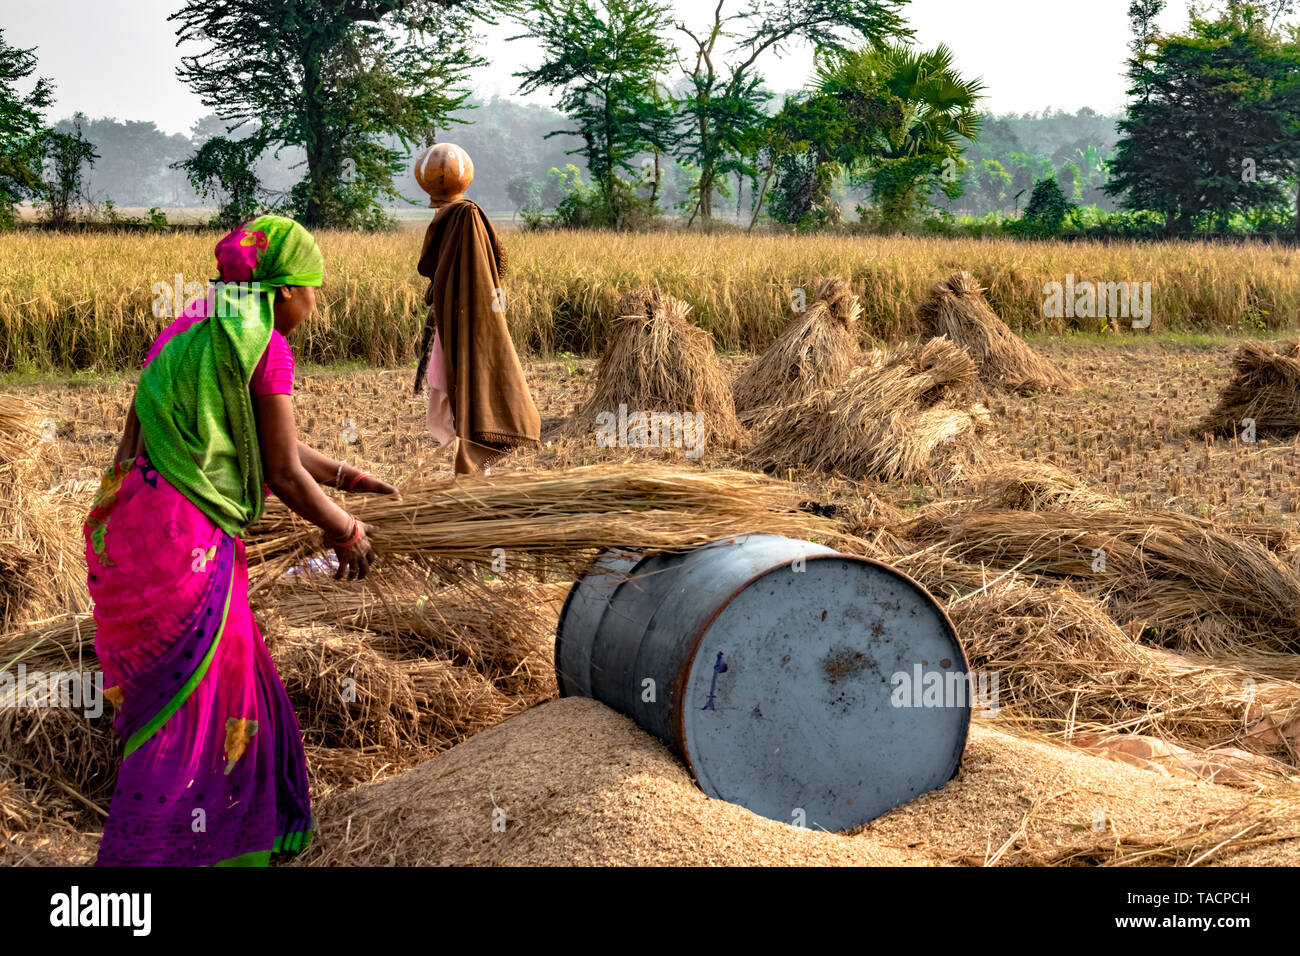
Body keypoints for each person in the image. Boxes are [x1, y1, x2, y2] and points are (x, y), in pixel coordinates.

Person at [83, 214, 398, 866]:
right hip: (189, 537)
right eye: (313, 287)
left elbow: (266, 441)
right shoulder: (266, 345)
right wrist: (345, 530)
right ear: (284, 291)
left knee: (180, 693)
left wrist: (346, 476)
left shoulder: (196, 324)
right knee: (202, 702)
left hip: (134, 524)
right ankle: (174, 853)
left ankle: (223, 835)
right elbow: (280, 470)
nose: (316, 302)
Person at [413, 142, 541, 475]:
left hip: (470, 320)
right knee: (462, 390)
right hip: (460, 320)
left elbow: (479, 276)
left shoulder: (464, 218)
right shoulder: (460, 218)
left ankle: (473, 467)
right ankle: (471, 471)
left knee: (472, 384)